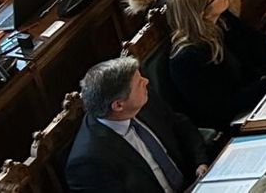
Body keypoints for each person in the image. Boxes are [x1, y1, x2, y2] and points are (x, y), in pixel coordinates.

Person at [125, 0, 266, 133]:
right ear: (203, 13)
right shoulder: (185, 60)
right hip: (234, 119)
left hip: (258, 91)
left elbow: (259, 42)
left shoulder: (222, 19)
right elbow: (224, 107)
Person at [66, 56, 209, 193]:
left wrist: (200, 162)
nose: (146, 81)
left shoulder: (142, 99)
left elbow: (179, 124)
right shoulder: (88, 163)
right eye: (139, 83)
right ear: (118, 105)